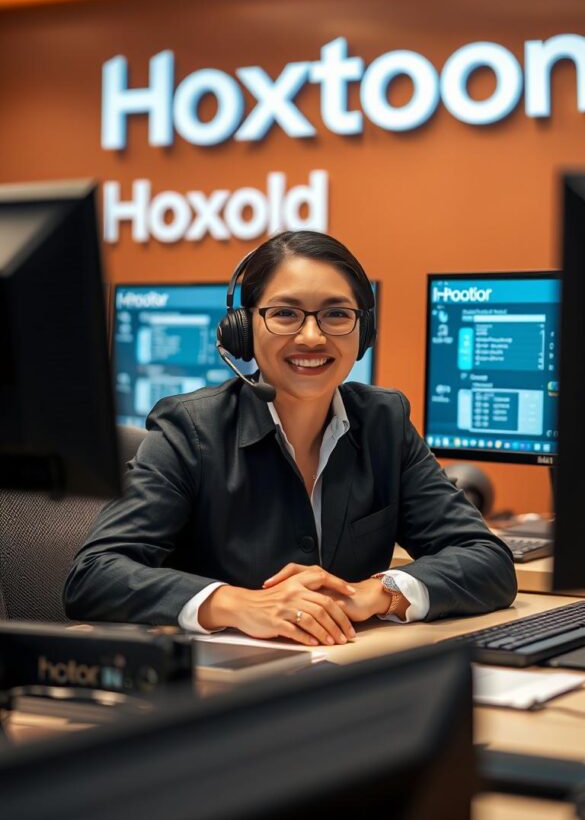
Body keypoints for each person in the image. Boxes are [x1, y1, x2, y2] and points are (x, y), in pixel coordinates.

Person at [64, 231, 516, 647]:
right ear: (242, 329)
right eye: (285, 314)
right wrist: (233, 604)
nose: (312, 336)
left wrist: (380, 593)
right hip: (216, 692)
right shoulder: (190, 429)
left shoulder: (384, 421)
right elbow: (94, 576)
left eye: (337, 314)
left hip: (343, 673)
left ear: (364, 332)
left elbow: (487, 561)